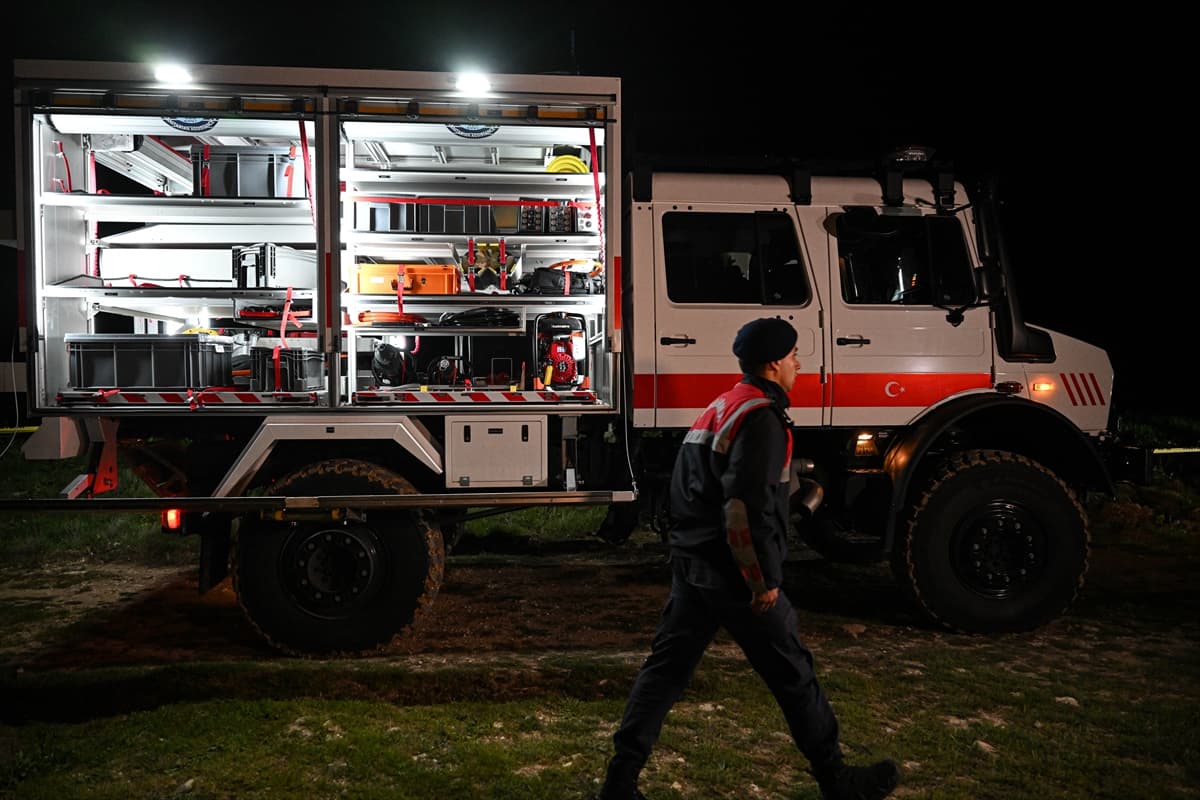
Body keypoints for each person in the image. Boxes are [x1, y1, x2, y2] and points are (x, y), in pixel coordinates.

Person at [597, 317, 900, 800]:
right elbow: (742, 509)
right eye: (795, 355)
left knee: (664, 673)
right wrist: (762, 582)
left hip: (695, 569)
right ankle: (838, 780)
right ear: (775, 363)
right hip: (737, 577)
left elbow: (692, 489)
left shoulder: (722, 405)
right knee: (794, 675)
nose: (800, 364)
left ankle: (620, 781)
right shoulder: (761, 418)